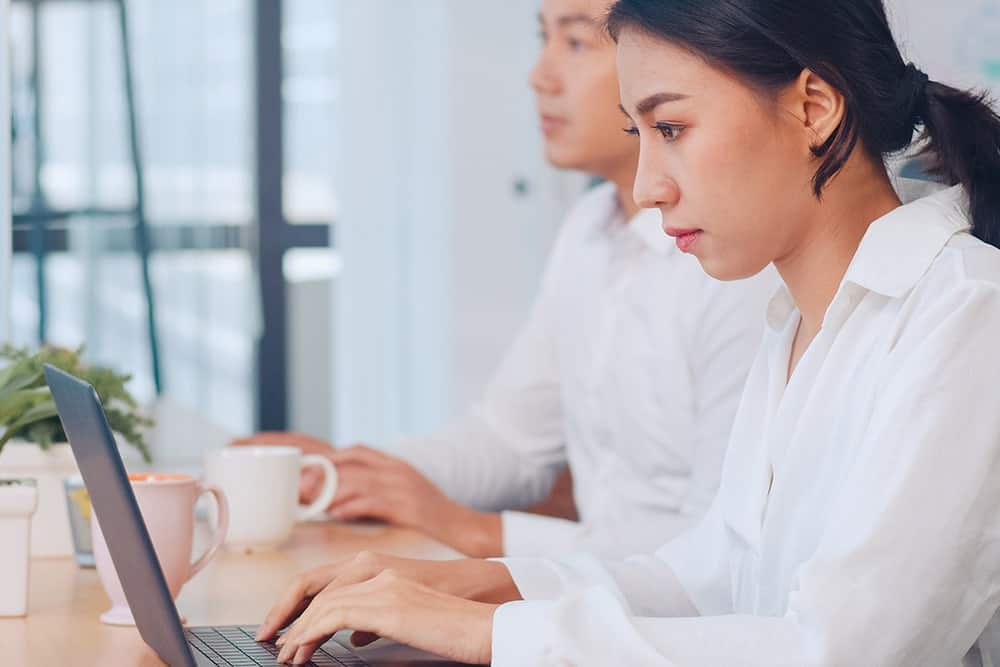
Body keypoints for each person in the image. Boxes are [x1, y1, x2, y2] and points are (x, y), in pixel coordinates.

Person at [256, 0, 1000, 664]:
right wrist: (481, 583)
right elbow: (707, 576)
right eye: (639, 133)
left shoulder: (968, 315)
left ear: (813, 106)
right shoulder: (797, 323)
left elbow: (837, 649)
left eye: (671, 127)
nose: (648, 186)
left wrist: (493, 634)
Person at [236, 0, 775, 561]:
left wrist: (475, 533)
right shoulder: (588, 231)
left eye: (576, 42)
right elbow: (509, 443)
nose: (539, 75)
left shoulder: (736, 262)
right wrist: (347, 473)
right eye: (542, 37)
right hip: (590, 611)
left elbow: (715, 558)